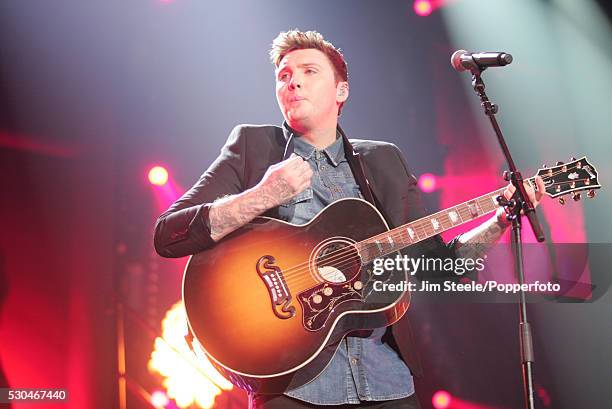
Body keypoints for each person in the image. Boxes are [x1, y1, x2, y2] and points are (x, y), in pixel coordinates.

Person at [154, 30, 544, 409]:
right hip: (291, 385)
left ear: (341, 91)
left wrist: (499, 219)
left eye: (309, 71)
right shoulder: (252, 146)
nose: (293, 82)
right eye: (284, 76)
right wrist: (261, 195)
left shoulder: (383, 160)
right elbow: (169, 234)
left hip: (385, 382)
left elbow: (440, 267)